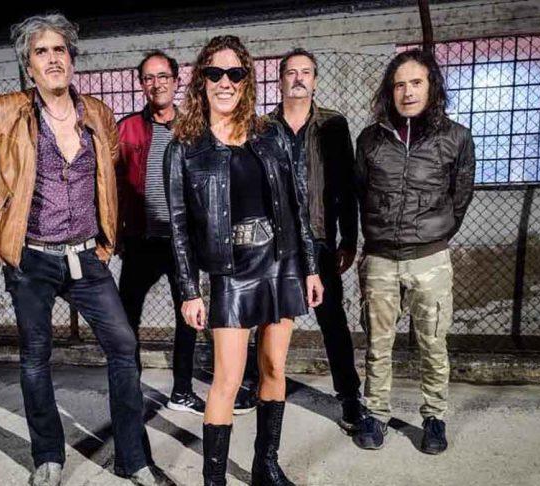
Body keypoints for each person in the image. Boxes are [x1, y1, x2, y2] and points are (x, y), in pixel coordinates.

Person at [0, 12, 166, 486]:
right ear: (29, 66)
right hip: (32, 258)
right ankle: (48, 456)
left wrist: (108, 238)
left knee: (124, 345)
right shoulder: (4, 113)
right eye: (41, 52)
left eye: (59, 49)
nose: (52, 59)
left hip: (86, 256)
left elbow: (113, 176)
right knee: (35, 356)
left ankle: (133, 458)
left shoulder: (98, 115)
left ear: (72, 59)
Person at [165, 35, 323, 486]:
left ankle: (265, 467)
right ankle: (213, 480)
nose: (225, 82)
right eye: (215, 73)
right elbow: (178, 226)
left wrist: (310, 266)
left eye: (235, 73)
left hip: (280, 261)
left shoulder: (270, 135)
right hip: (230, 272)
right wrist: (189, 290)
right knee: (227, 380)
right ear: (201, 81)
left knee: (273, 368)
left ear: (246, 80)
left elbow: (297, 204)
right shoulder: (184, 147)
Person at [117, 50, 257, 417]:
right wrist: (114, 232)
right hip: (141, 240)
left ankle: (181, 391)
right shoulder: (127, 128)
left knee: (188, 317)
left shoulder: (194, 128)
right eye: (149, 78)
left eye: (163, 76)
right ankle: (129, 391)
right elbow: (112, 184)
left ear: (176, 81)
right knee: (125, 319)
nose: (156, 84)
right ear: (141, 84)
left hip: (184, 242)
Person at [353, 49, 475, 454]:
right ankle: (375, 414)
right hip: (380, 258)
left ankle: (434, 417)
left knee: (433, 343)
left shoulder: (455, 137)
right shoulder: (370, 139)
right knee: (378, 343)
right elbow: (360, 193)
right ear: (390, 91)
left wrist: (432, 236)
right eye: (399, 84)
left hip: (430, 259)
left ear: (431, 86)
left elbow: (460, 197)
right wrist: (376, 239)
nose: (407, 92)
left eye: (416, 83)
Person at [268, 48, 362, 432]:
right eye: (291, 72)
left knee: (333, 321)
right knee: (271, 320)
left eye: (305, 72)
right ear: (280, 80)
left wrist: (349, 238)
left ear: (315, 80)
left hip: (320, 238)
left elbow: (347, 185)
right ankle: (263, 386)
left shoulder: (333, 125)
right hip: (275, 244)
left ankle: (350, 397)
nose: (298, 79)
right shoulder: (264, 127)